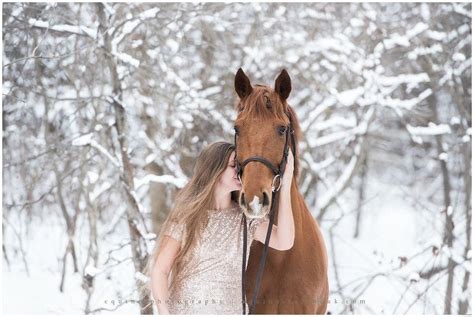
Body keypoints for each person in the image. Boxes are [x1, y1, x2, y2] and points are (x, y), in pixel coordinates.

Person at [147, 141, 295, 314]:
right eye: (234, 166)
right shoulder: (187, 218)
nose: (240, 171)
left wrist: (286, 186)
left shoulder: (245, 219)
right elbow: (160, 270)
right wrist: (165, 313)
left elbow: (284, 241)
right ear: (215, 171)